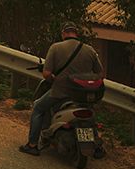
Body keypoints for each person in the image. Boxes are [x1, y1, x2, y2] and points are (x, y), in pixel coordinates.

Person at [21, 23, 105, 156]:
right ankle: (98, 147)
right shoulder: (89, 50)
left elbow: (47, 74)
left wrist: (54, 79)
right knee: (90, 114)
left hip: (60, 92)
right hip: (83, 95)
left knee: (38, 108)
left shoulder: (56, 48)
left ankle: (32, 145)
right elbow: (100, 74)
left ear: (63, 33)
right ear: (76, 33)